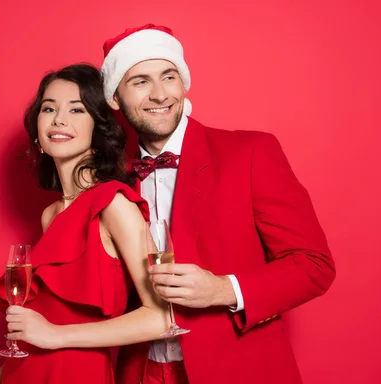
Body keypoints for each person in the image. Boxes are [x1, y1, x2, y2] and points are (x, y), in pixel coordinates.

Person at [100, 24, 336, 384]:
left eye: (169, 77)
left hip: (238, 368)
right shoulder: (111, 179)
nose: (160, 94)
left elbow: (314, 265)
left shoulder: (251, 152)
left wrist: (223, 289)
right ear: (115, 98)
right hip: (140, 369)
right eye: (141, 82)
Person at [0, 64, 171, 384]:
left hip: (75, 373)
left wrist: (56, 336)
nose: (60, 119)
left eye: (77, 109)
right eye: (49, 108)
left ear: (98, 131)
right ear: (38, 135)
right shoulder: (52, 214)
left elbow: (159, 318)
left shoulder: (114, 203)